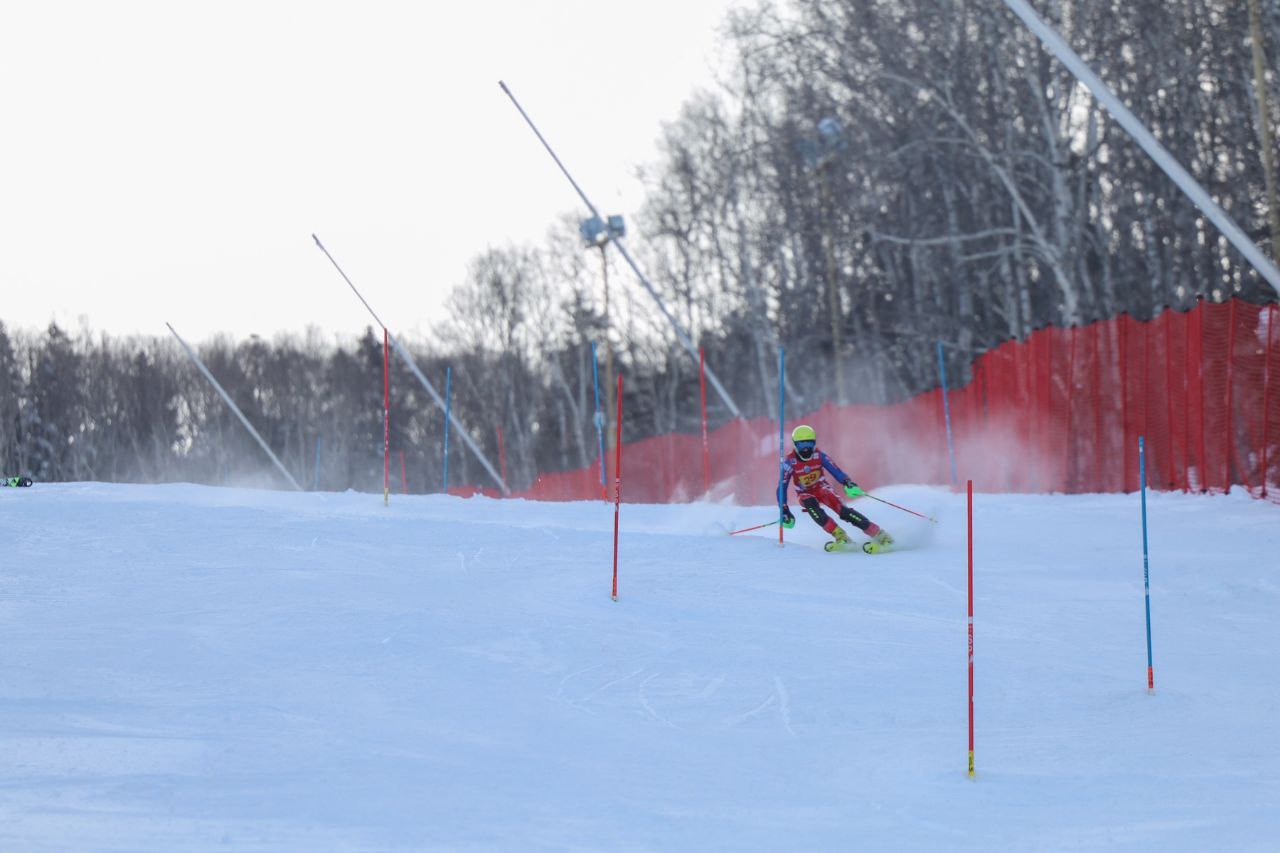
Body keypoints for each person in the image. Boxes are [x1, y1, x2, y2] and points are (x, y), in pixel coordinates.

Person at [777, 425, 893, 553]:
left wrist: (847, 482)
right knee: (810, 504)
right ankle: (841, 537)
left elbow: (835, 471)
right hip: (805, 493)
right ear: (795, 445)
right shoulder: (789, 462)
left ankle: (880, 535)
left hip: (822, 488)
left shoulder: (819, 455)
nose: (805, 449)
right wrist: (784, 508)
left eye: (809, 444)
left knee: (844, 512)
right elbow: (781, 487)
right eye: (801, 445)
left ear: (814, 443)